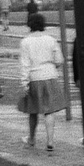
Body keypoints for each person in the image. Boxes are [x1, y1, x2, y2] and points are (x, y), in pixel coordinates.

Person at [18, 12, 66, 152]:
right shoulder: (50, 39)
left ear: (30, 25)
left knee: (32, 110)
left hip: (34, 78)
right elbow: (59, 60)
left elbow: (24, 64)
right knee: (49, 110)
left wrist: (24, 82)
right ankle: (50, 141)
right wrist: (52, 67)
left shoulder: (25, 42)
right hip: (50, 76)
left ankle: (32, 139)